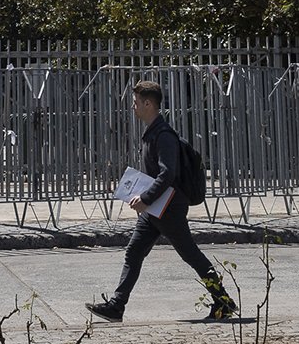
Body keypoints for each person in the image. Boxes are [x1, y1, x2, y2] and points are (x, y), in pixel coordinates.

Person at [86, 80, 237, 322]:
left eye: (136, 103)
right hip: (156, 208)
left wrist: (145, 198)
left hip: (168, 208)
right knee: (134, 252)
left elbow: (168, 174)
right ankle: (117, 306)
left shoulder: (163, 135)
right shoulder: (152, 133)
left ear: (148, 104)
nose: (133, 107)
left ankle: (223, 301)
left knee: (191, 254)